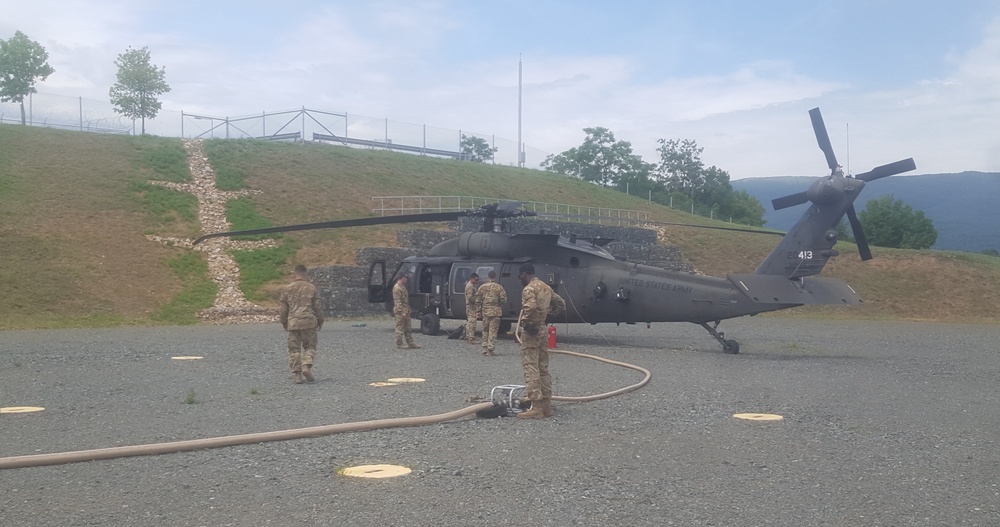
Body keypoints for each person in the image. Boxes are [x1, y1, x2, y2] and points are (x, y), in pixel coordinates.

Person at [515, 263, 566, 419]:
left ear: (524, 274)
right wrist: (548, 316)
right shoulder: (545, 287)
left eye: (520, 276)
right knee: (543, 367)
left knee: (531, 367)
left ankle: (536, 407)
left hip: (532, 332)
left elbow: (529, 307)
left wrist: (526, 323)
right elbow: (560, 303)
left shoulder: (529, 289)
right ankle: (546, 406)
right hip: (543, 332)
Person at [279, 264, 324, 384]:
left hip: (293, 322)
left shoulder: (287, 289)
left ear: (295, 274)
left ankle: (297, 375)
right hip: (309, 322)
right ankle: (306, 366)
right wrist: (320, 321)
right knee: (310, 347)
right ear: (305, 274)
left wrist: (284, 322)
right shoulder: (312, 288)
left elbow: (283, 309)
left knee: (294, 349)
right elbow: (318, 308)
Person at [477, 270, 507, 356]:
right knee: (493, 330)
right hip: (495, 311)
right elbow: (504, 299)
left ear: (488, 276)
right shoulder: (499, 287)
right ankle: (490, 349)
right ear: (495, 276)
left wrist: (478, 310)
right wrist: (498, 304)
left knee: (485, 329)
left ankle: (484, 347)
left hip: (485, 311)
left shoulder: (482, 287)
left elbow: (478, 299)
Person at [392, 273, 421, 349]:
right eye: (405, 277)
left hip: (406, 310)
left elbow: (405, 300)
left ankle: (411, 343)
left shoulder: (403, 287)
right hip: (400, 312)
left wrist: (408, 309)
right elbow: (397, 301)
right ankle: (399, 343)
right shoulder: (397, 288)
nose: (407, 279)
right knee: (400, 328)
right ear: (401, 278)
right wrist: (401, 311)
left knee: (408, 328)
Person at [464, 272, 481, 344]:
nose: (476, 281)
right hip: (471, 306)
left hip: (471, 306)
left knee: (470, 322)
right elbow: (470, 297)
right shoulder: (470, 286)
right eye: (475, 280)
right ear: (471, 279)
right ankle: (471, 338)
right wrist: (476, 301)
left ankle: (469, 336)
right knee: (472, 322)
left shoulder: (471, 285)